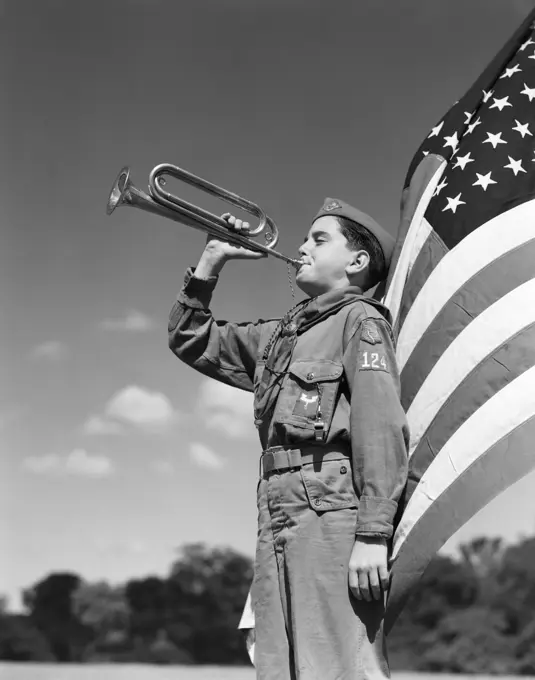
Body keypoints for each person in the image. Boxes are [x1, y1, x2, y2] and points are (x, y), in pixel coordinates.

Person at [168, 197, 409, 680]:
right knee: (279, 667)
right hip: (275, 507)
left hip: (330, 508)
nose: (302, 248)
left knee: (335, 664)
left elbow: (379, 424)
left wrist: (372, 533)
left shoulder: (361, 320)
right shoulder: (280, 336)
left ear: (357, 262)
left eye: (319, 240)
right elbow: (189, 336)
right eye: (305, 239)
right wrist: (213, 259)